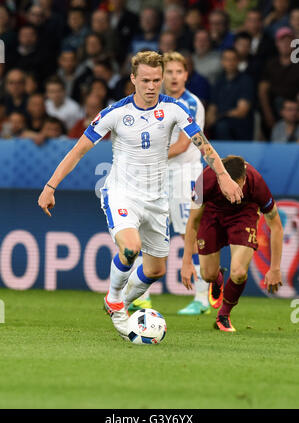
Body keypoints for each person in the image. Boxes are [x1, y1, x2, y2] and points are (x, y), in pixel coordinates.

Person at [38, 50, 243, 341]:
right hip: (122, 194)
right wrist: (50, 186)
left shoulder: (174, 109)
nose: (151, 86)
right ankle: (114, 300)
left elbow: (203, 146)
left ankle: (120, 302)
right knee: (130, 247)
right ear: (133, 79)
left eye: (156, 80)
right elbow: (78, 150)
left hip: (156, 199)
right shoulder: (116, 113)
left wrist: (223, 176)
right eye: (145, 80)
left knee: (156, 269)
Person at [129, 51, 210, 314]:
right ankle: (142, 297)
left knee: (191, 233)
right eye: (170, 73)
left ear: (186, 75)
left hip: (187, 175)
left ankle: (202, 298)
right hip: (159, 175)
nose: (174, 77)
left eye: (179, 72)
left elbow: (184, 143)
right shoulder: (156, 103)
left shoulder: (191, 103)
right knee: (148, 231)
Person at [181, 155, 283, 332]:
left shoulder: (256, 181)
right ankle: (217, 278)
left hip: (243, 215)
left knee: (239, 273)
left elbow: (276, 226)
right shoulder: (206, 179)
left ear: (244, 179)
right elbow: (193, 221)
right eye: (228, 187)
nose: (232, 193)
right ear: (221, 178)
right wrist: (186, 261)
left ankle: (224, 315)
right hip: (212, 214)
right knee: (207, 275)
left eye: (239, 187)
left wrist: (274, 268)